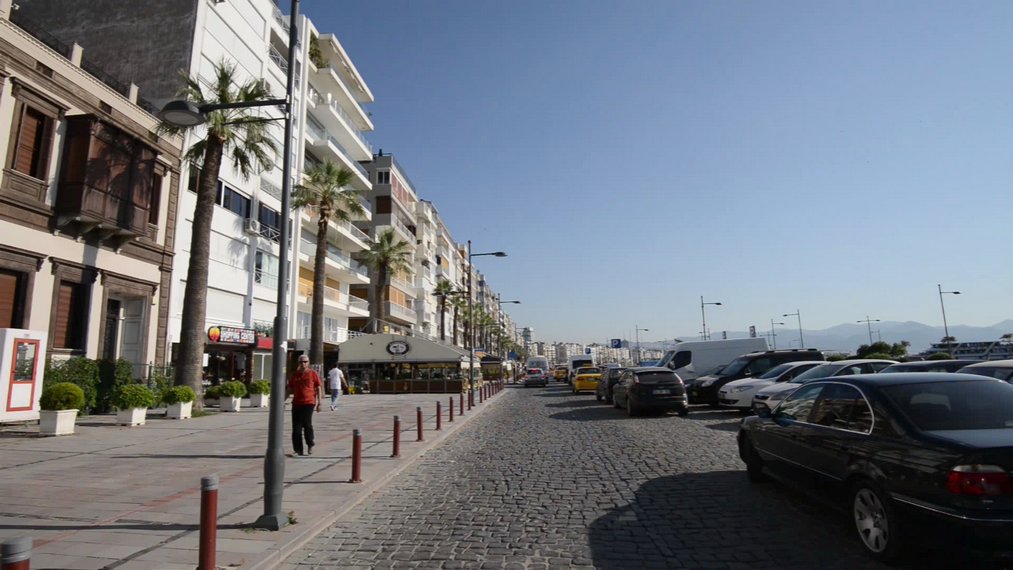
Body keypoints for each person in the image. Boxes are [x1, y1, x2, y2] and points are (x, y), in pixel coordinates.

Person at [287, 355, 322, 456]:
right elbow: (289, 389)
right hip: (296, 403)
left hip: (309, 402)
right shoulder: (295, 375)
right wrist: (281, 401)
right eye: (301, 362)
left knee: (307, 424)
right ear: (298, 363)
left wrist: (319, 403)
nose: (303, 364)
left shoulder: (312, 373)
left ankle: (310, 444)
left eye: (305, 362)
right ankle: (298, 450)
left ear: (308, 363)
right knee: (296, 428)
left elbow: (318, 387)